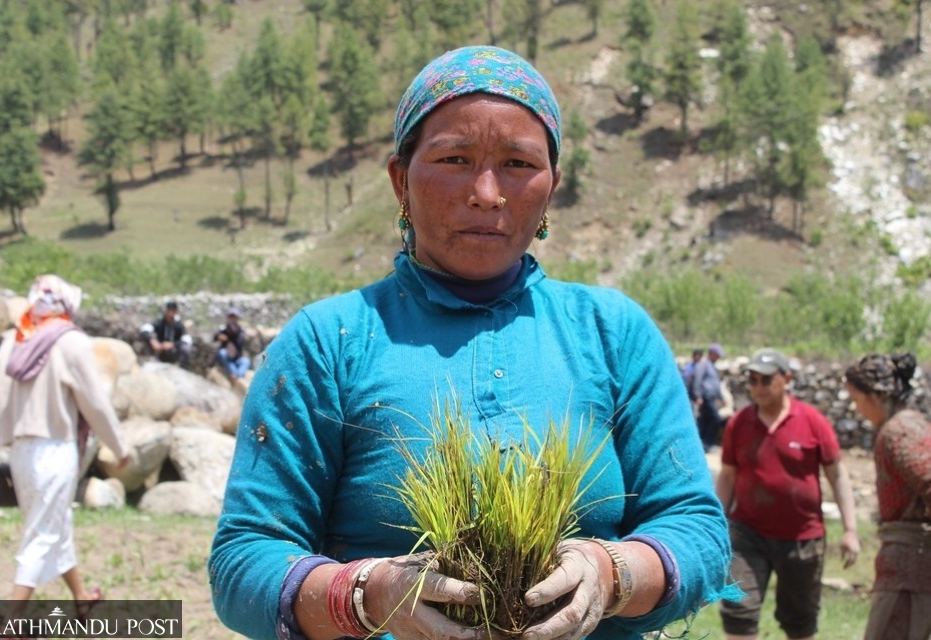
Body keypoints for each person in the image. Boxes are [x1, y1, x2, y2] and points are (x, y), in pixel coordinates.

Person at [210, 45, 734, 640]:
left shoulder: (613, 332)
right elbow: (243, 560)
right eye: (454, 158)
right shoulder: (329, 341)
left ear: (552, 187)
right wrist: (367, 593)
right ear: (399, 179)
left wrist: (609, 573)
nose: (487, 192)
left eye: (517, 164)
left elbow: (696, 530)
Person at [0, 275, 129, 620]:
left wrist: (2, 439)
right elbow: (94, 402)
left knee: (54, 522)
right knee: (43, 531)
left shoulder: (14, 341)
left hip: (20, 449)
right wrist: (119, 446)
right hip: (55, 447)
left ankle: (80, 596)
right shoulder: (70, 342)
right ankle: (12, 622)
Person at [716, 348, 860, 640]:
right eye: (753, 380)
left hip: (802, 538)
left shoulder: (812, 421)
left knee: (800, 621)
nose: (758, 387)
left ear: (786, 379)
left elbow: (837, 474)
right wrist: (716, 523)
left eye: (766, 380)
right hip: (747, 534)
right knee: (738, 612)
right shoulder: (739, 423)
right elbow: (728, 476)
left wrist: (851, 529)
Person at [844, 352, 931, 640]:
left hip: (911, 570)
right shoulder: (910, 424)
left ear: (875, 395)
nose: (857, 409)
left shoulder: (898, 431)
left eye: (857, 400)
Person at [691, 342, 726, 451]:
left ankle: (702, 444)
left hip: (711, 398)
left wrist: (721, 398)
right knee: (715, 419)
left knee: (704, 421)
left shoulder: (712, 366)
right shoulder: (704, 365)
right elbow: (697, 380)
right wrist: (698, 396)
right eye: (717, 354)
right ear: (711, 353)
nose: (719, 357)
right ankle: (707, 443)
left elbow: (715, 384)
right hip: (705, 398)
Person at [140, 301, 192, 368]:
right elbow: (144, 329)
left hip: (173, 352)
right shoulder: (160, 322)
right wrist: (153, 341)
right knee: (146, 337)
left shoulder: (178, 325)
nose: (170, 313)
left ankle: (182, 367)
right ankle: (152, 359)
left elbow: (187, 340)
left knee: (185, 348)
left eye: (173, 311)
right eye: (169, 310)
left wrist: (172, 344)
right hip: (160, 350)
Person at [215, 308, 250, 382]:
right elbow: (214, 338)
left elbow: (241, 343)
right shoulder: (223, 329)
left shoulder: (241, 331)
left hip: (237, 358)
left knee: (246, 361)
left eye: (234, 317)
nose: (232, 319)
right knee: (222, 352)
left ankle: (238, 377)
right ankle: (234, 373)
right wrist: (219, 336)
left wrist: (230, 337)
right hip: (226, 358)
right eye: (231, 317)